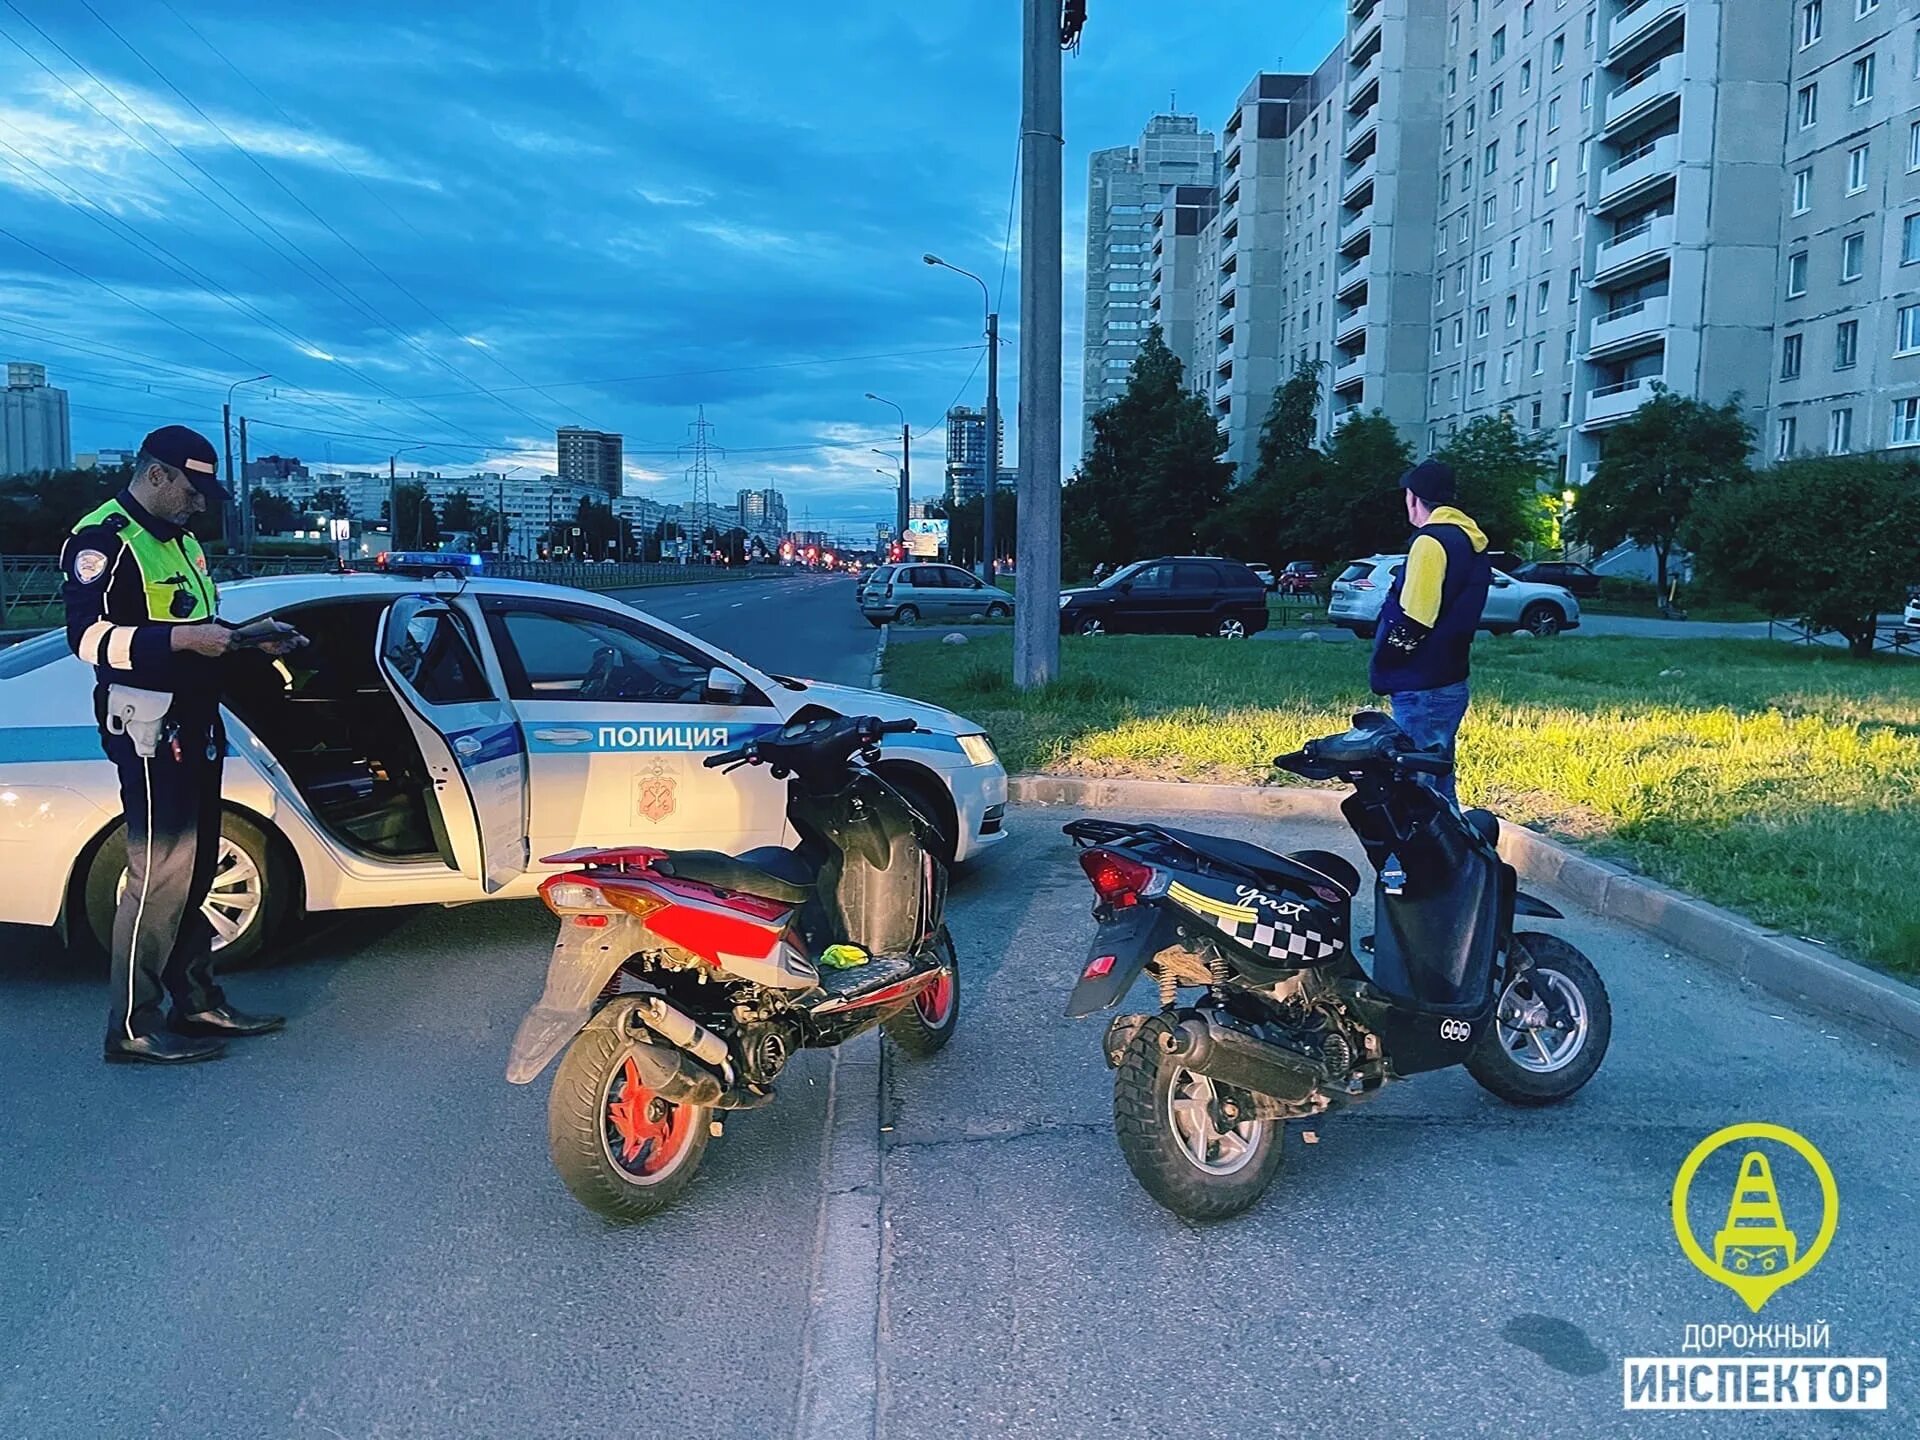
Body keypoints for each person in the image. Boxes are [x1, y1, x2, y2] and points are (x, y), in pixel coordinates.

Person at [61, 425, 306, 1064]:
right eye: (192, 491)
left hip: (194, 719)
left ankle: (195, 1002)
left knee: (196, 868)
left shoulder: (183, 541)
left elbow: (196, 627)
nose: (200, 504)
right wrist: (178, 642)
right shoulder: (103, 538)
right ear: (158, 475)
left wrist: (251, 638)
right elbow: (85, 639)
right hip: (146, 725)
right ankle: (133, 1028)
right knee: (159, 874)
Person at [1368, 459, 1491, 806]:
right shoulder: (1468, 540)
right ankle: (1456, 860)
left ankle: (1407, 862)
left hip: (1421, 684)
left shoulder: (1430, 541)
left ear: (1413, 498)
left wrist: (1388, 662)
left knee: (1413, 790)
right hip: (1449, 678)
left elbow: (1416, 618)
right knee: (1436, 782)